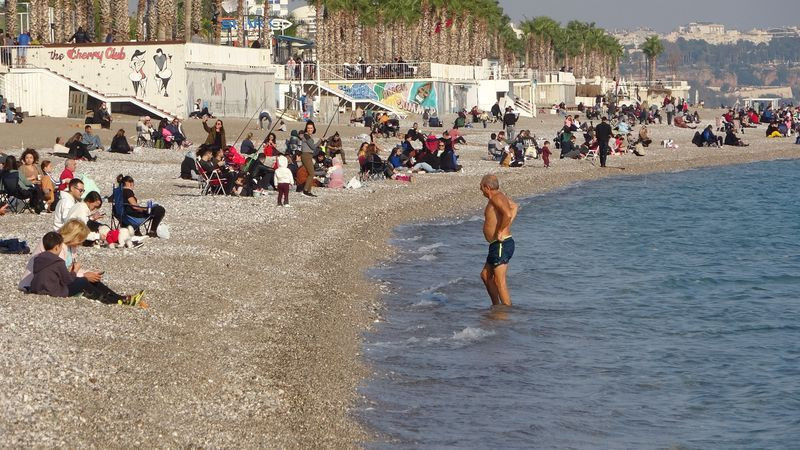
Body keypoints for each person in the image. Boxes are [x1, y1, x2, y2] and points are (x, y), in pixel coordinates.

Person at [27, 230, 146, 307]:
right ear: (57, 247)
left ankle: (119, 298)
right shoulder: (57, 261)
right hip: (55, 291)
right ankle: (114, 300)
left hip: (40, 289)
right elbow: (68, 280)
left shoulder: (38, 258)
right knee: (84, 281)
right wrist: (76, 270)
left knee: (85, 280)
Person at [479, 174, 518, 307]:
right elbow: (514, 207)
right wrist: (506, 225)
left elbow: (507, 214)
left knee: (499, 281)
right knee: (485, 275)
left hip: (502, 243)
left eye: (481, 187)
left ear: (487, 187)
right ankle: (496, 307)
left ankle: (507, 312)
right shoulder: (499, 197)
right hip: (496, 245)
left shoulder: (497, 198)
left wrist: (502, 230)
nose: (480, 190)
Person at [299, 121, 318, 197]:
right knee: (311, 173)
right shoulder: (306, 136)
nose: (310, 129)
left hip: (308, 156)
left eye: (311, 128)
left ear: (313, 129)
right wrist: (320, 141)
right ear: (306, 129)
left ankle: (309, 191)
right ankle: (305, 190)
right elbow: (313, 147)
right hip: (306, 156)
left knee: (309, 173)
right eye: (308, 128)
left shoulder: (308, 136)